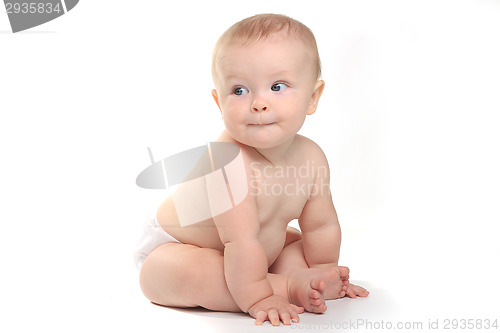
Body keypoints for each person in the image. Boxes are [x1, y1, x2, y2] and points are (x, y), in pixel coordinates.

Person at [136, 13, 369, 326]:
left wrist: (325, 271)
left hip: (249, 254)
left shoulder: (312, 157)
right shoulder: (228, 162)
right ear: (219, 103)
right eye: (240, 91)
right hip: (173, 249)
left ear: (312, 97)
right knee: (199, 272)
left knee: (293, 241)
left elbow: (321, 226)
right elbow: (240, 241)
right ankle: (287, 286)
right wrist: (261, 297)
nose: (258, 103)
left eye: (277, 86)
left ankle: (300, 279)